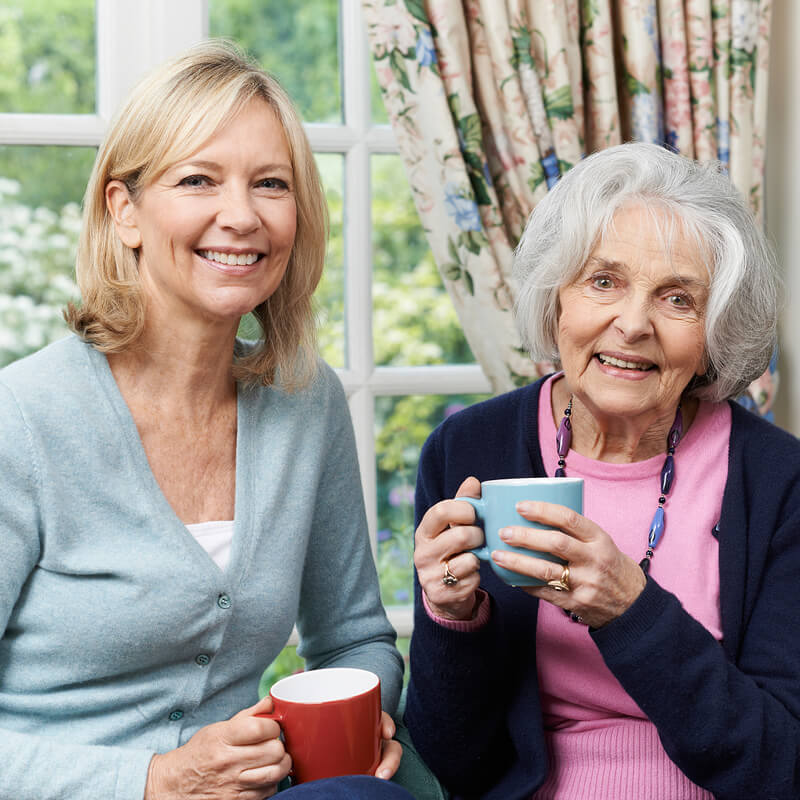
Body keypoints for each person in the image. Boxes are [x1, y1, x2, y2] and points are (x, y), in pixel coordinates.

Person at [0, 40, 413, 800]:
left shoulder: (304, 400)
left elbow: (356, 638)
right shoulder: (20, 420)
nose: (242, 216)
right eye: (198, 180)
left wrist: (355, 720)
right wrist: (154, 780)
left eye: (270, 184)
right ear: (123, 211)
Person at [406, 142, 800, 799]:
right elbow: (456, 762)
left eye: (677, 299)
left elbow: (781, 767)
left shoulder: (778, 480)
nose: (633, 323)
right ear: (557, 298)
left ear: (715, 329)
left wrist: (631, 610)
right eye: (604, 281)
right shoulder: (467, 448)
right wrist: (452, 621)